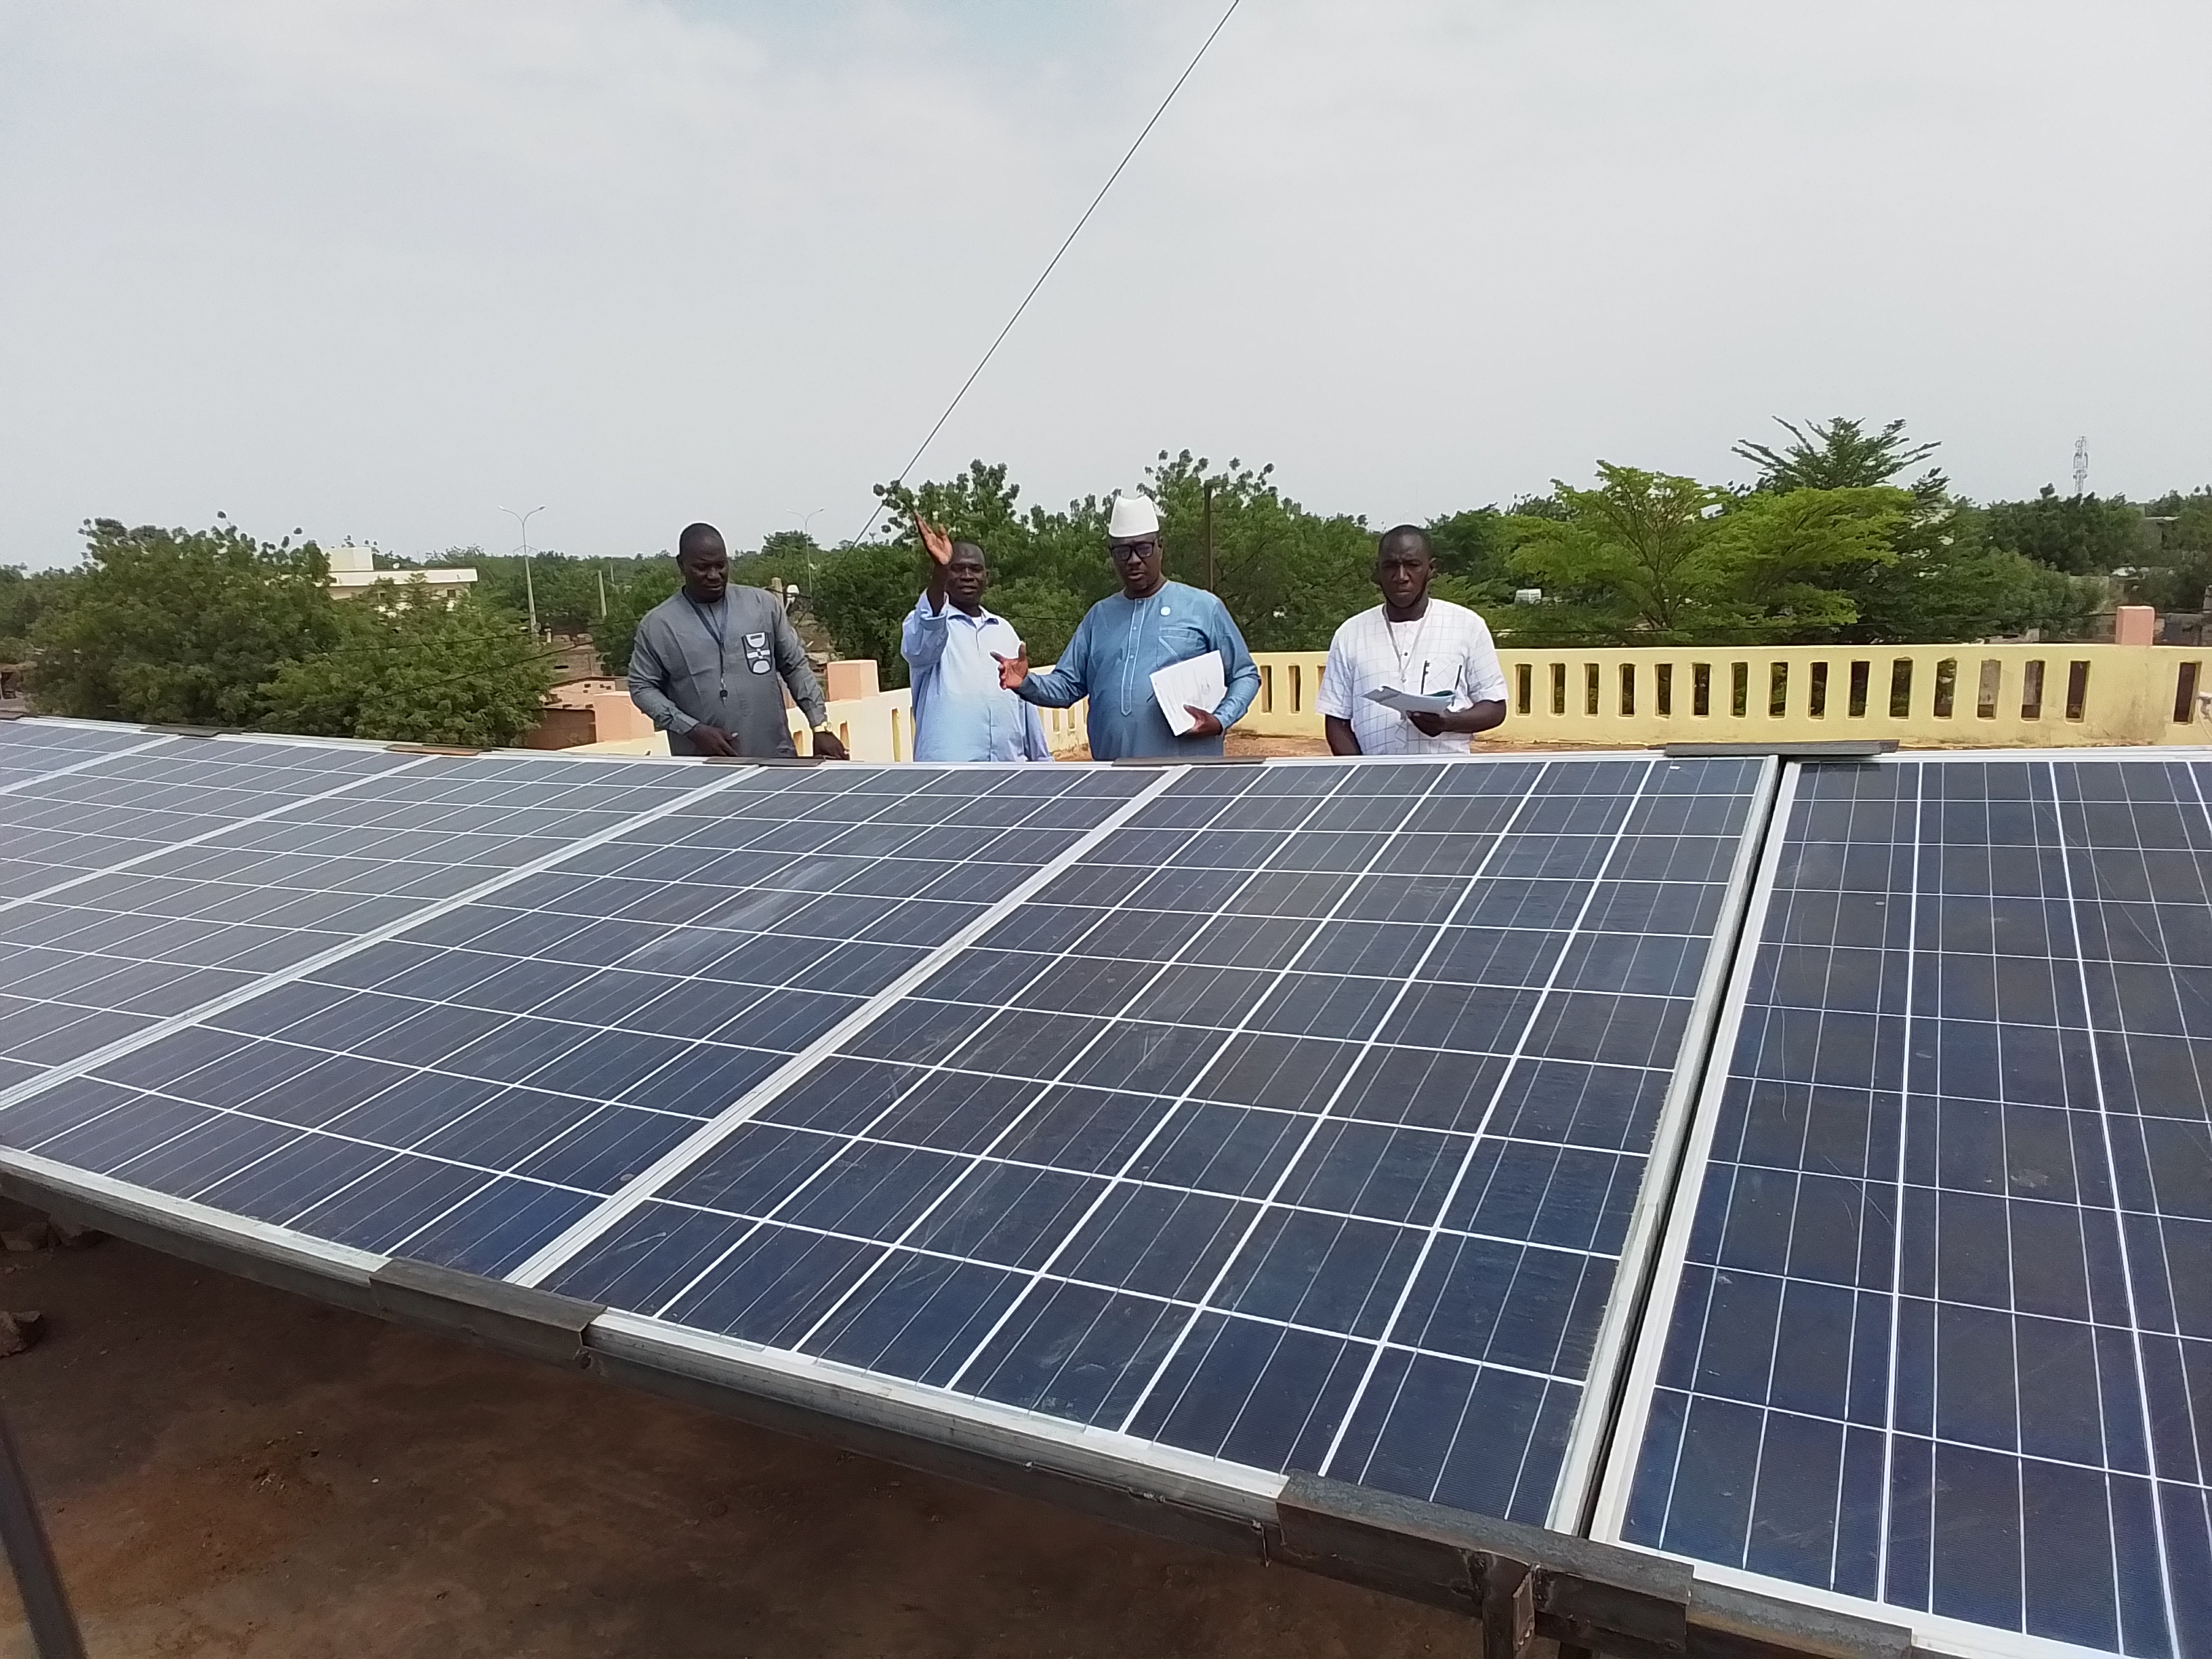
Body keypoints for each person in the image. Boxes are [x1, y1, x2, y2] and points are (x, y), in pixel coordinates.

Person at [995, 492, 1258, 760]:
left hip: (1186, 780)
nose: (1133, 560)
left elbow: (1245, 674)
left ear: (1160, 547)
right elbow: (1067, 685)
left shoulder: (1203, 607)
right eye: (1122, 551)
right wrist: (1026, 682)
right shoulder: (1100, 617)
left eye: (1143, 548)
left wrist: (1220, 721)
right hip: (1114, 781)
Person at [627, 523, 848, 760]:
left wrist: (820, 726)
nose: (713, 575)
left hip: (776, 758)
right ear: (681, 565)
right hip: (704, 763)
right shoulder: (659, 625)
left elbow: (795, 667)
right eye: (702, 568)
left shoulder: (763, 605)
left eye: (720, 565)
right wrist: (691, 728)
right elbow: (642, 687)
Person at [1317, 525, 1507, 756]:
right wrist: (1362, 776)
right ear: (1377, 572)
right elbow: (1337, 720)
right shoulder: (1350, 634)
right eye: (1390, 566)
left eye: (1412, 565)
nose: (1401, 577)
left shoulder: (1467, 626)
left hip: (1447, 779)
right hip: (1376, 782)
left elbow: (1495, 708)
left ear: (1431, 569)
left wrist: (1448, 721)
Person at [901, 516, 1051, 762]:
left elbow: (1025, 707)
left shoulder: (1004, 631)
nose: (968, 576)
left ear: (987, 577)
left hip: (1009, 774)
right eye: (957, 569)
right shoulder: (928, 625)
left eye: (976, 569)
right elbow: (919, 650)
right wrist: (939, 570)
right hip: (949, 781)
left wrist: (1043, 763)